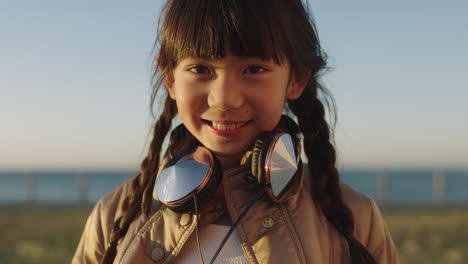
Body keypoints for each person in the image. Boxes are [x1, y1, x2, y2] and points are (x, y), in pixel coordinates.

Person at [72, 0, 399, 263]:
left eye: (254, 69)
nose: (224, 98)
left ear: (296, 78)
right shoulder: (115, 217)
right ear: (170, 76)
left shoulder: (354, 217)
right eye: (200, 69)